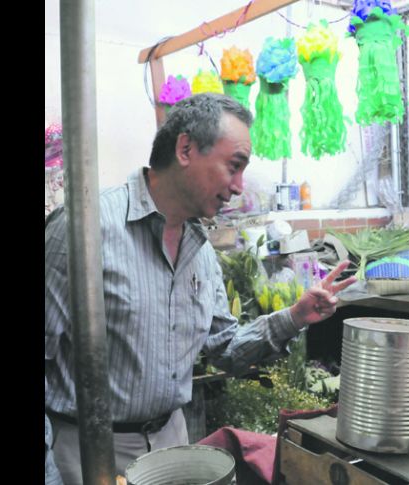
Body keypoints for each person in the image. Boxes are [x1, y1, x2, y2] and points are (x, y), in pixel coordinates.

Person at [45, 93, 357, 483]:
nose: (240, 186)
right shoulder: (84, 228)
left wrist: (294, 317)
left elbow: (225, 348)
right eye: (234, 166)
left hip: (173, 443)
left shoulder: (200, 250)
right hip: (89, 453)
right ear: (186, 148)